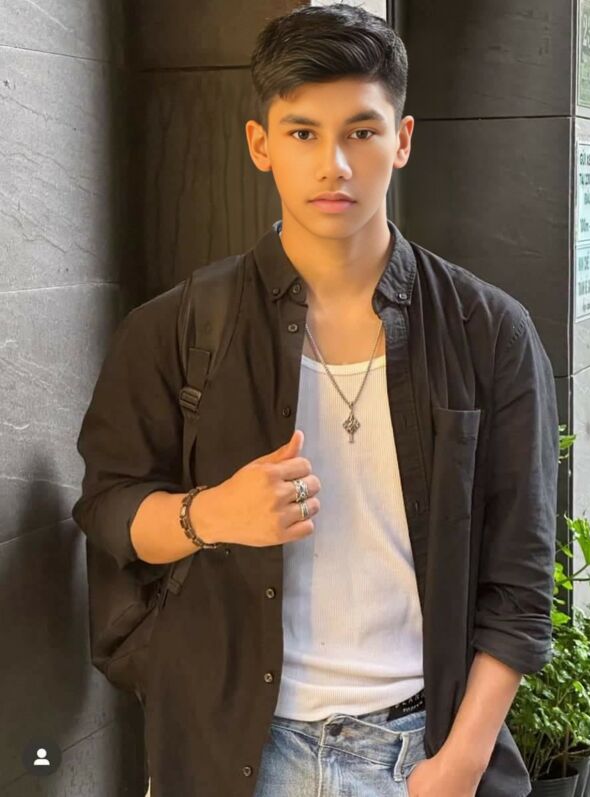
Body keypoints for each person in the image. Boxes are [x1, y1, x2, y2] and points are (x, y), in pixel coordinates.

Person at [72, 5, 560, 797]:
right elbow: (107, 510)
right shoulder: (176, 330)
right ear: (260, 144)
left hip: (420, 754)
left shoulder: (489, 333)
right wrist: (212, 513)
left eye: (361, 132)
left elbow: (522, 579)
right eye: (303, 133)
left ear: (402, 139)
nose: (334, 164)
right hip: (234, 753)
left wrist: (461, 763)